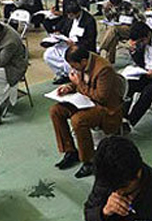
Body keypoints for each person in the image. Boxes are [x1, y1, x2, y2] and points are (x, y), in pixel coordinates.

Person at [50, 46, 124, 178]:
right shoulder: (82, 64)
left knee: (78, 120)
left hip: (105, 108)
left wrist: (79, 84)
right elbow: (78, 83)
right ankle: (70, 150)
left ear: (83, 61)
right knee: (56, 111)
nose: (73, 69)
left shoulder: (104, 69)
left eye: (74, 66)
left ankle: (89, 161)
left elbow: (101, 97)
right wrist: (69, 87)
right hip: (85, 100)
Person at [43, 0, 97, 84]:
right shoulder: (69, 18)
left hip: (80, 47)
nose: (69, 17)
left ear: (77, 13)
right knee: (48, 54)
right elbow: (62, 28)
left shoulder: (89, 21)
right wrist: (58, 33)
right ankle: (62, 73)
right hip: (66, 43)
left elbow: (90, 41)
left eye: (71, 15)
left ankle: (70, 74)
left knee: (68, 56)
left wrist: (75, 44)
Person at [99, 0, 143, 64]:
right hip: (119, 28)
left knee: (113, 29)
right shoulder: (112, 7)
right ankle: (109, 61)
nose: (115, 7)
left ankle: (101, 48)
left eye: (116, 5)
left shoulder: (129, 7)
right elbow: (110, 18)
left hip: (131, 29)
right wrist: (105, 10)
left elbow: (141, 19)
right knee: (113, 36)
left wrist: (133, 24)